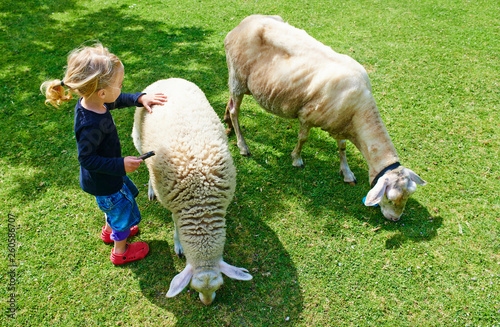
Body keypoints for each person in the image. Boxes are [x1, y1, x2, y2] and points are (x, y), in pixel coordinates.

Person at [41, 43, 167, 265]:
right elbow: (86, 159)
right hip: (104, 181)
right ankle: (121, 251)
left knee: (113, 208)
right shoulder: (90, 124)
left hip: (106, 178)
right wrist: (120, 164)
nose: (122, 87)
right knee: (121, 213)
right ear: (102, 92)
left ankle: (109, 231)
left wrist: (139, 98)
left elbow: (116, 100)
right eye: (120, 84)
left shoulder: (93, 102)